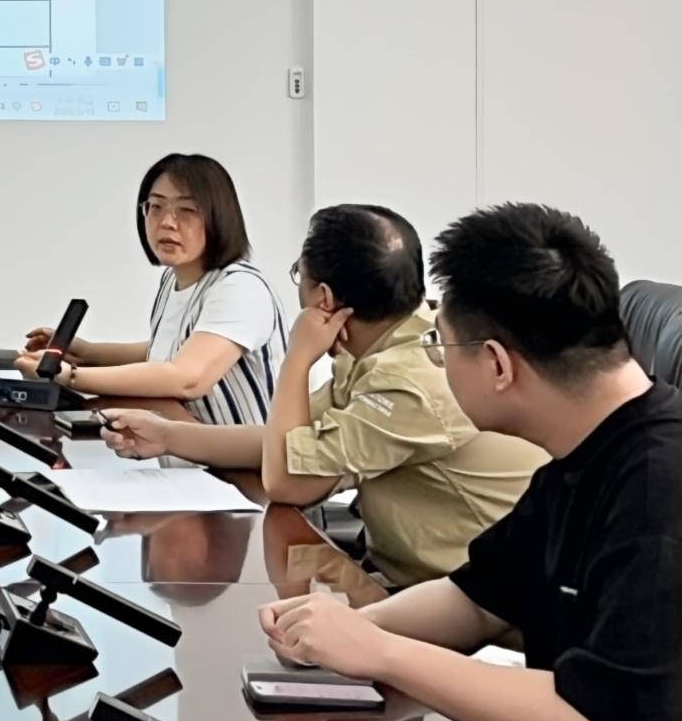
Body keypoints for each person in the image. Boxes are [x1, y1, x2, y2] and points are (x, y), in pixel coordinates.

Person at [258, 204, 682, 721]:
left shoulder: (657, 490)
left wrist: (378, 655)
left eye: (439, 344)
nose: (437, 361)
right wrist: (339, 635)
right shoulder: (580, 456)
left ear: (497, 365)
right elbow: (478, 599)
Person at [101, 205, 545, 585]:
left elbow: (287, 481)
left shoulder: (407, 382)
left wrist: (298, 359)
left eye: (300, 274)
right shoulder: (386, 343)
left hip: (465, 596)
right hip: (399, 573)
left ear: (324, 299)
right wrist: (167, 436)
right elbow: (287, 443)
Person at [17, 153, 285, 424]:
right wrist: (85, 353)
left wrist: (71, 376)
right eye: (156, 206)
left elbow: (187, 378)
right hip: (184, 445)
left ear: (219, 216)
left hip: (240, 452)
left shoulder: (240, 288)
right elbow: (165, 352)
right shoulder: (172, 279)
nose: (167, 222)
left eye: (187, 210)